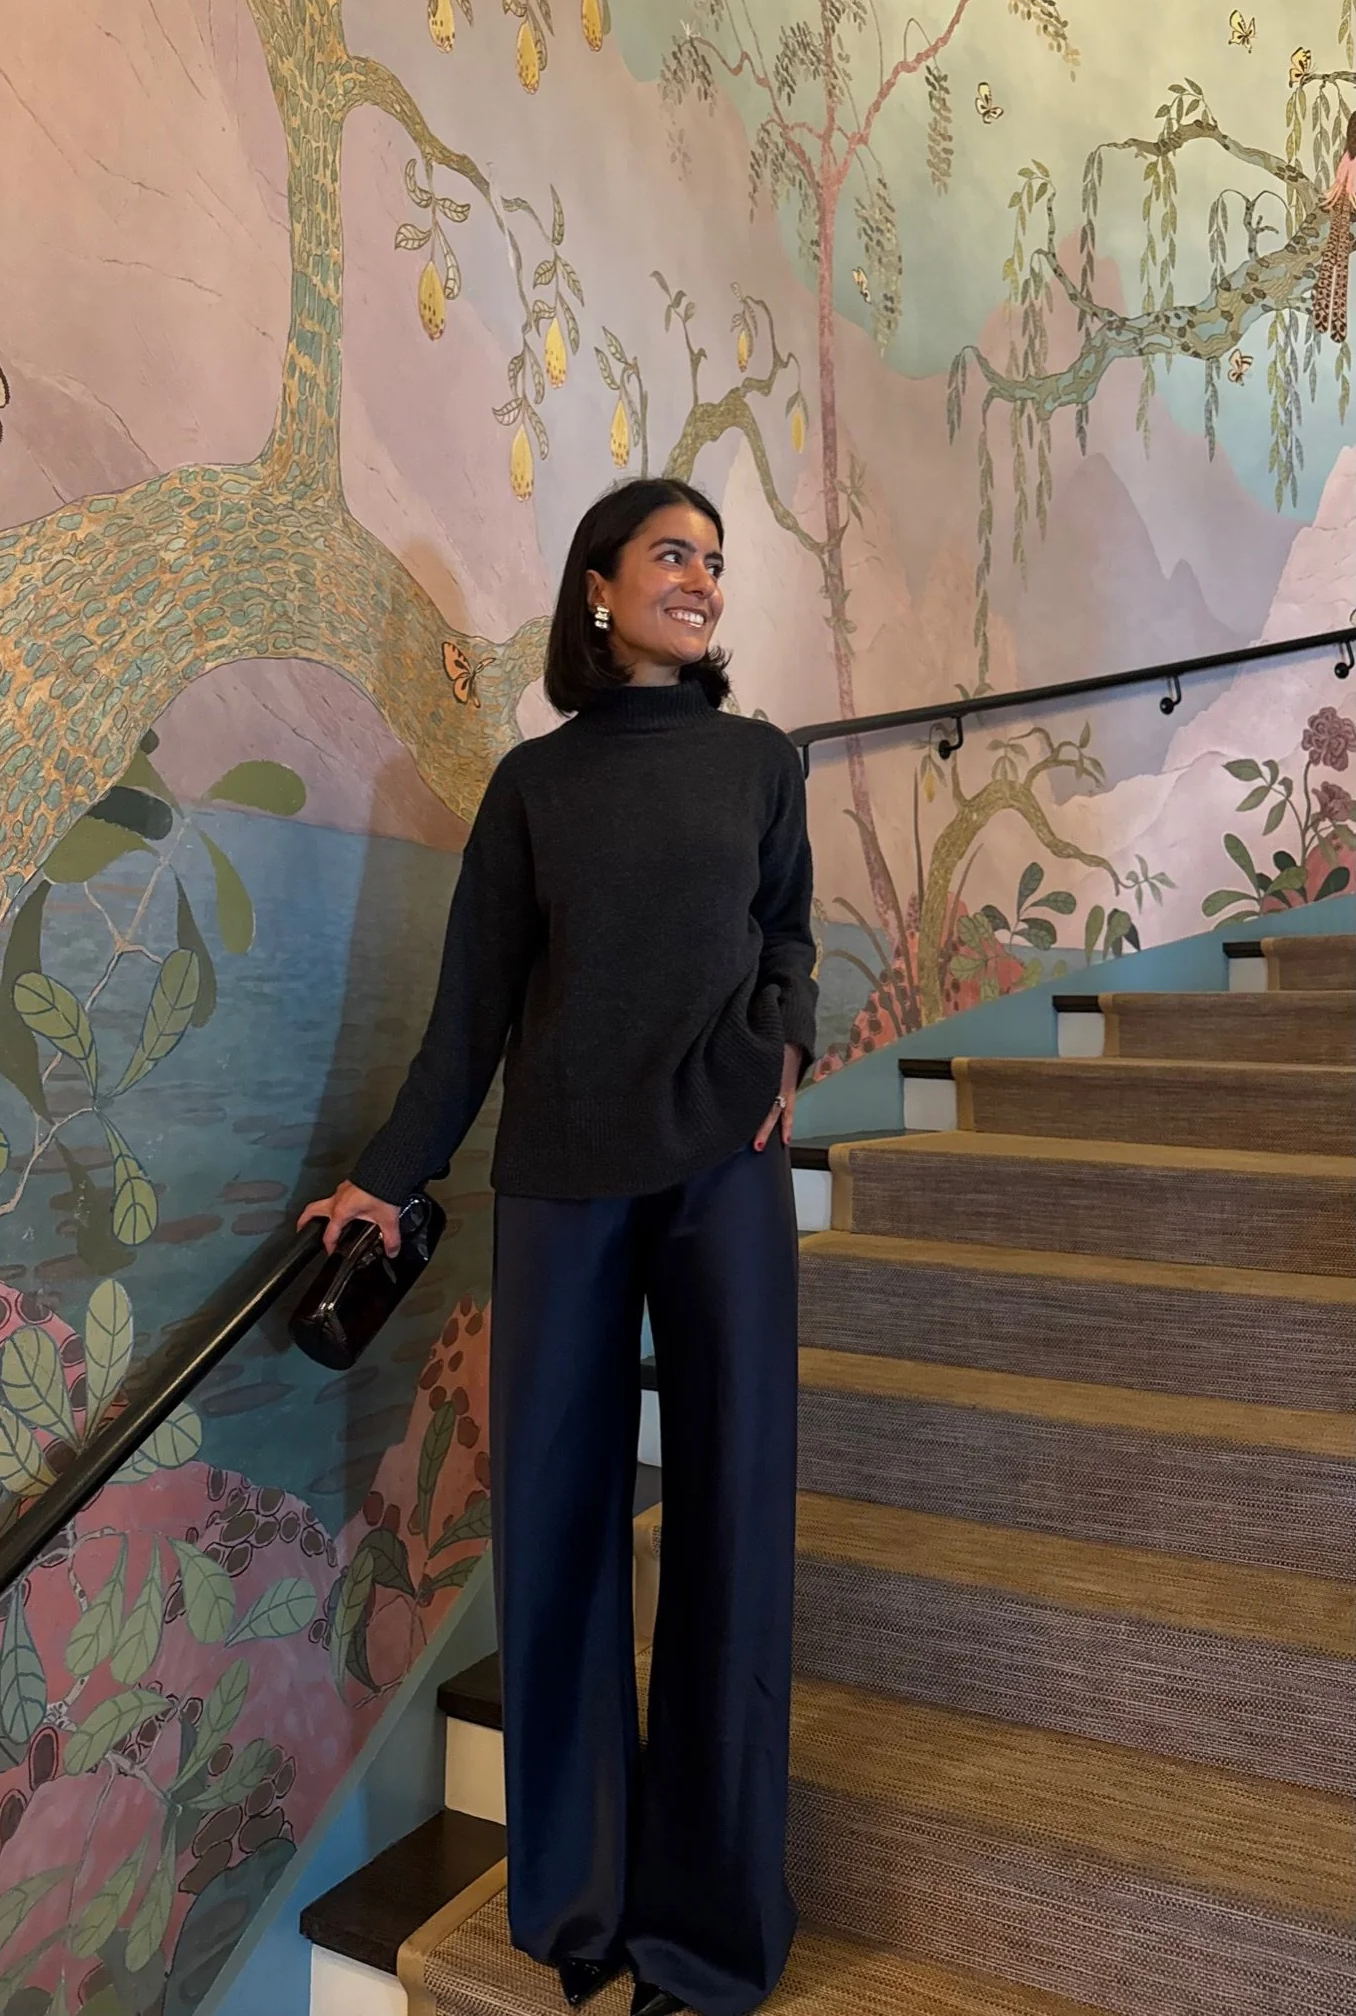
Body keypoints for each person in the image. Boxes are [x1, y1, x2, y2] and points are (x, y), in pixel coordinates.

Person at [300, 477, 815, 2016]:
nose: (701, 579)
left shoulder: (760, 763)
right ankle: (579, 1903)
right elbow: (471, 1007)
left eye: (715, 560)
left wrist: (783, 1044)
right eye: (672, 554)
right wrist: (389, 1177)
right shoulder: (534, 787)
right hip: (561, 1183)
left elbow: (787, 929)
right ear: (599, 585)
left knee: (730, 1527)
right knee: (558, 1530)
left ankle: (708, 1935)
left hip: (723, 1168)